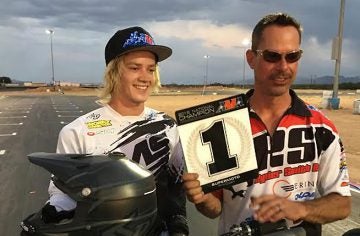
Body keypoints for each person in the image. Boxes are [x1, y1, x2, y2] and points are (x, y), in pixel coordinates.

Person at [182, 12, 351, 235]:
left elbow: (342, 204)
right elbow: (214, 209)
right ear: (251, 58)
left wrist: (300, 208)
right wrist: (201, 198)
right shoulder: (222, 125)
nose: (283, 66)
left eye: (292, 56)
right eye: (272, 56)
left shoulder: (321, 127)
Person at [44, 26, 189, 236]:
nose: (145, 77)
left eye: (150, 69)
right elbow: (61, 193)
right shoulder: (77, 131)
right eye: (134, 68)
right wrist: (54, 210)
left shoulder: (168, 126)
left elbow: (177, 189)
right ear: (114, 72)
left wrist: (179, 221)